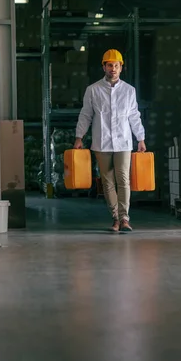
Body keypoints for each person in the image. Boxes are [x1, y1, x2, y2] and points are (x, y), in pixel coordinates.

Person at [74, 49, 146, 232]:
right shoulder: (93, 90)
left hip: (123, 141)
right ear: (103, 67)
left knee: (123, 179)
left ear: (121, 68)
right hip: (102, 141)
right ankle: (115, 217)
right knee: (107, 181)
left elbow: (134, 116)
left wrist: (141, 138)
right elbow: (86, 115)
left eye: (116, 65)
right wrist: (79, 137)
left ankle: (124, 218)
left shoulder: (129, 91)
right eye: (109, 65)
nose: (113, 68)